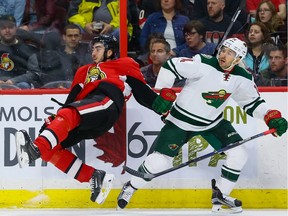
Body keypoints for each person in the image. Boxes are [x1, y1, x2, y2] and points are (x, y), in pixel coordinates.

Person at [117, 38, 288, 213]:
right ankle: (131, 186)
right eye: (223, 50)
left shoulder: (243, 77)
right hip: (179, 121)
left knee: (239, 153)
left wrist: (269, 116)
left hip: (212, 123)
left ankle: (220, 194)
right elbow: (171, 66)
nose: (223, 54)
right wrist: (165, 91)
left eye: (230, 53)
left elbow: (252, 102)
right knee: (158, 163)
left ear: (238, 59)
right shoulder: (203, 62)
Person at [15, 34, 177, 204]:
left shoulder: (123, 64)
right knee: (50, 149)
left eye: (98, 48)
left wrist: (164, 110)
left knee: (67, 117)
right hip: (87, 110)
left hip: (107, 102)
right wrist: (55, 123)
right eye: (92, 48)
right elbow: (71, 102)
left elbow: (143, 93)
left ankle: (33, 150)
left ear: (109, 52)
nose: (93, 52)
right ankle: (94, 177)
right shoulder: (83, 71)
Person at [0, 15, 40, 88]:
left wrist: (14, 81)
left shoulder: (28, 49)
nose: (7, 30)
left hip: (20, 86)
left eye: (10, 27)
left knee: (23, 85)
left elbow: (35, 73)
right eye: (3, 28)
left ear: (16, 28)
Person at [67, 0, 136, 40]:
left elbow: (125, 15)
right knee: (75, 28)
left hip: (112, 32)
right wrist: (85, 25)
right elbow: (72, 14)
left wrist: (111, 26)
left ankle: (109, 55)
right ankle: (81, 59)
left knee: (120, 32)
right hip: (88, 31)